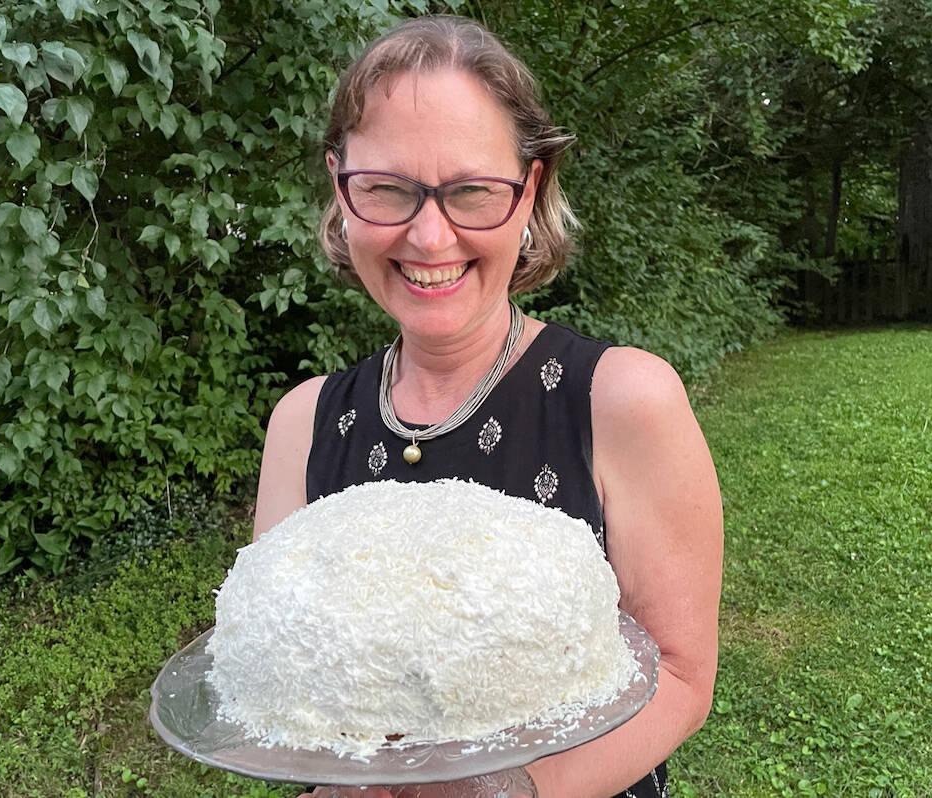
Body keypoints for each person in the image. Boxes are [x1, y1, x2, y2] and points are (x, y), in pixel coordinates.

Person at [252, 15, 723, 798]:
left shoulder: (623, 401)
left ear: (529, 190)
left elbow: (678, 678)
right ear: (341, 188)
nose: (430, 236)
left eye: (471, 190)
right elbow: (282, 677)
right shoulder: (301, 423)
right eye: (387, 189)